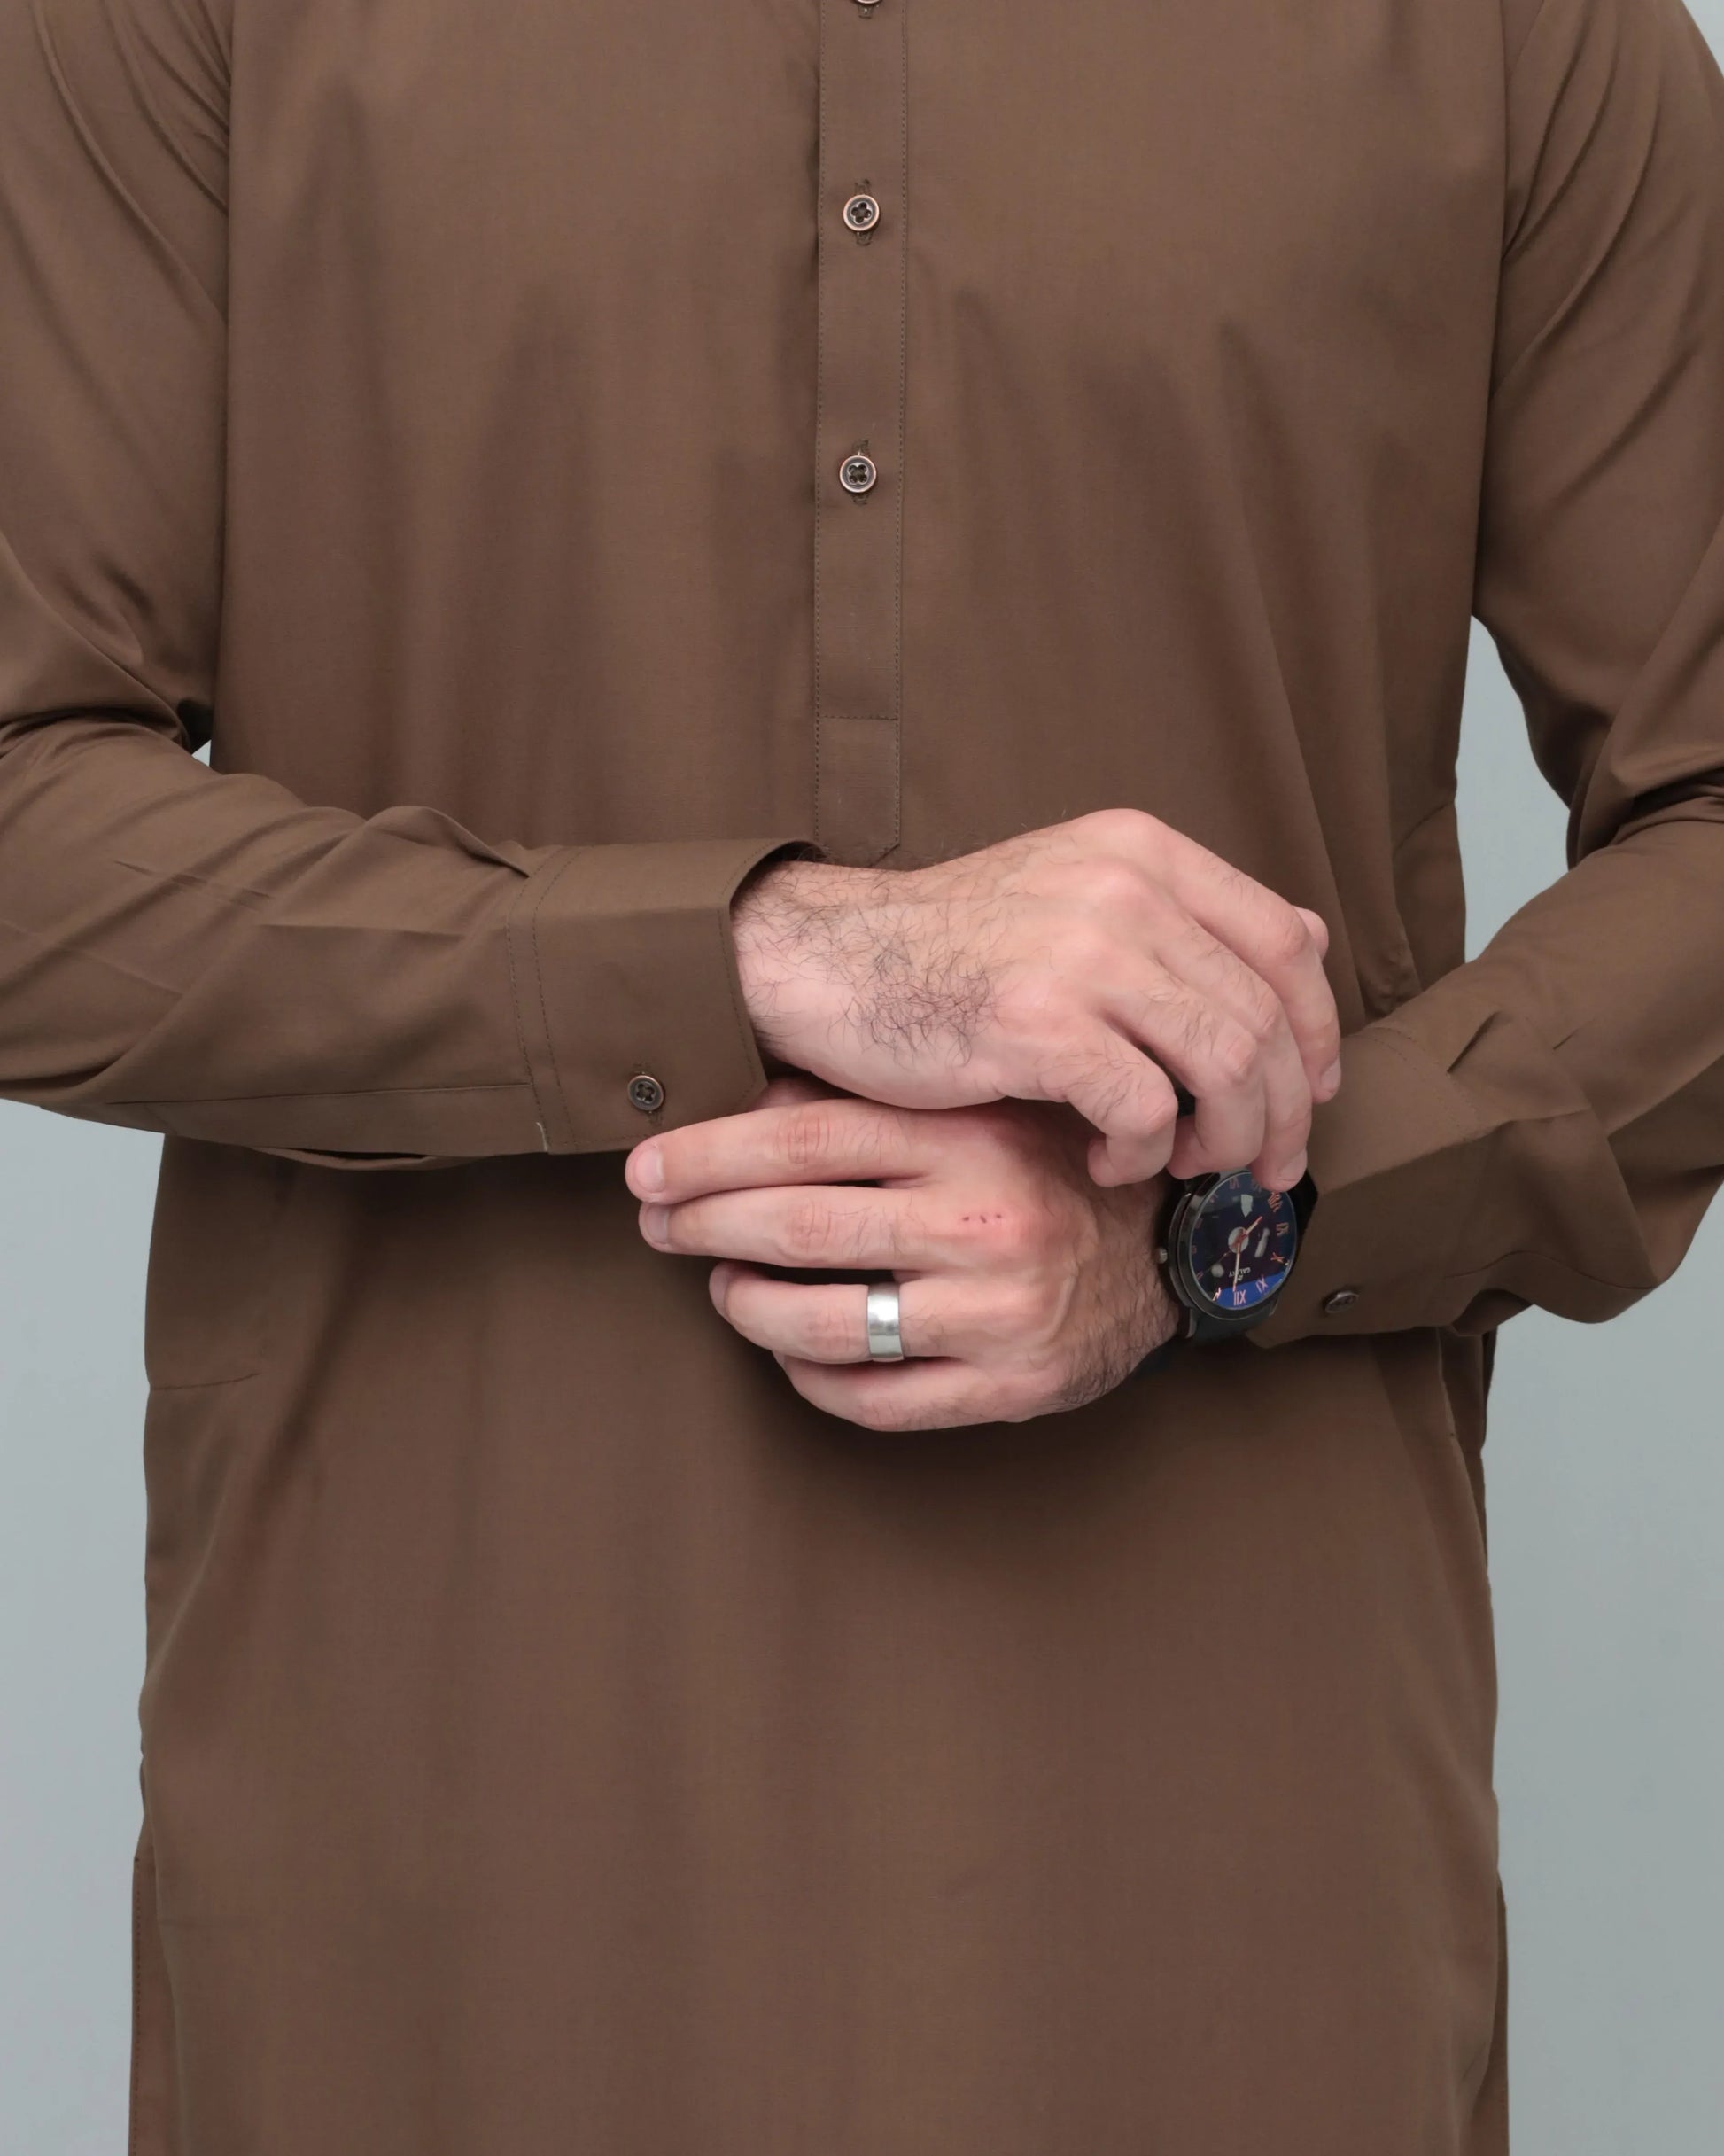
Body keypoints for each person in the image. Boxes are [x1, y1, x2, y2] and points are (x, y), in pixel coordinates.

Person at [3, 0, 1722, 2148]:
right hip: (425, 1875)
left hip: (1227, 1884)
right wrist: (760, 947)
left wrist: (1224, 1226)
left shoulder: (1517, 32)